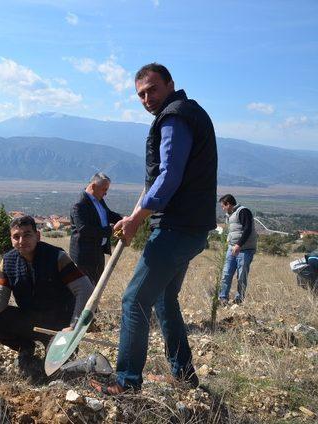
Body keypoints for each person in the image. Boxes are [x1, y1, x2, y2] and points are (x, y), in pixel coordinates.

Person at [108, 63, 217, 394]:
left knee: (134, 300)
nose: (146, 98)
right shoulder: (187, 112)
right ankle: (184, 375)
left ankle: (127, 383)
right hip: (190, 227)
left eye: (152, 89)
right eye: (140, 94)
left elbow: (169, 175)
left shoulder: (174, 117)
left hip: (176, 228)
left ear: (170, 84)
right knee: (164, 299)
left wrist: (136, 219)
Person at [0, 216, 94, 376]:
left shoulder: (57, 257)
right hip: (30, 321)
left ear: (38, 235)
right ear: (11, 239)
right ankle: (26, 347)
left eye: (27, 234)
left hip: (60, 327)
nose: (22, 240)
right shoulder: (7, 261)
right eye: (16, 236)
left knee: (58, 372)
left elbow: (85, 289)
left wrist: (74, 326)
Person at [69, 172, 123, 285]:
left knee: (97, 286)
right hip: (84, 256)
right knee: (85, 289)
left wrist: (124, 220)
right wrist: (111, 230)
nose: (106, 193)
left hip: (98, 252)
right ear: (93, 186)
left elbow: (108, 214)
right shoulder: (79, 204)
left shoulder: (99, 200)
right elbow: (84, 230)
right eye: (104, 189)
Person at [218, 194, 258, 305]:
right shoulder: (229, 215)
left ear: (228, 204)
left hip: (245, 250)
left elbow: (247, 229)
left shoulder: (243, 211)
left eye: (223, 206)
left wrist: (238, 245)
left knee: (241, 276)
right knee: (226, 274)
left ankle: (239, 299)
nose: (222, 209)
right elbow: (234, 231)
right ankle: (223, 298)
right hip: (232, 249)